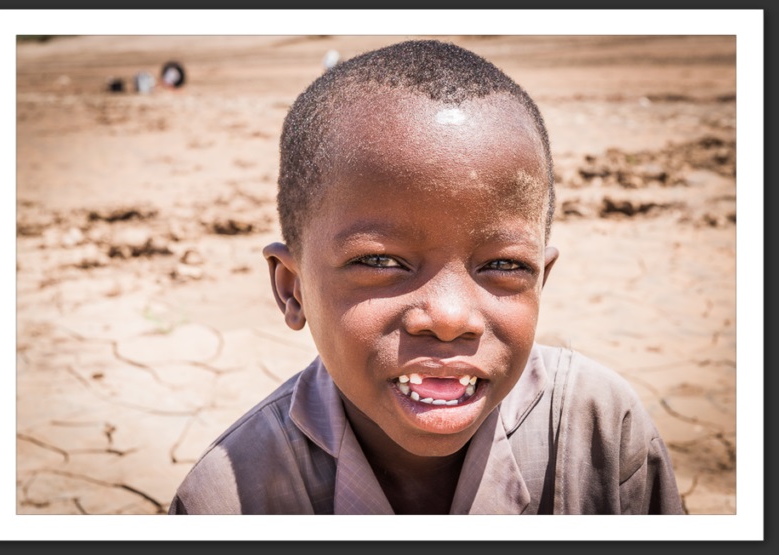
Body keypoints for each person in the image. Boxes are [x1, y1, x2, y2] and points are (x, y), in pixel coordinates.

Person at [168, 39, 683, 515]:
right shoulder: (229, 499)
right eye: (379, 262)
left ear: (540, 280)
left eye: (504, 266)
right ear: (292, 288)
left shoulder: (596, 431)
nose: (449, 318)